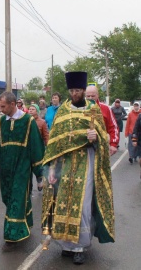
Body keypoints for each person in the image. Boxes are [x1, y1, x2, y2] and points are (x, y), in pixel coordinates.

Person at [42, 72, 115, 265]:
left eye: (78, 90)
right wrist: (51, 169)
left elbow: (102, 137)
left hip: (87, 162)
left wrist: (95, 138)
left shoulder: (94, 110)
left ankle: (80, 247)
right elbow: (55, 144)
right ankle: (67, 245)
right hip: (65, 165)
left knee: (82, 204)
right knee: (64, 203)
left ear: (83, 91)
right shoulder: (63, 111)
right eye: (72, 90)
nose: (74, 93)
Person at [0, 91, 45, 251]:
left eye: (3, 106)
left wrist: (39, 173)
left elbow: (36, 147)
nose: (0, 109)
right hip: (6, 169)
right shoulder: (1, 121)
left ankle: (12, 237)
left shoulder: (28, 121)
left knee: (17, 199)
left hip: (22, 169)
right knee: (9, 198)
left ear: (12, 104)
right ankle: (26, 221)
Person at [85, 85, 119, 156]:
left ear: (97, 95)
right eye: (88, 96)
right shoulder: (81, 109)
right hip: (84, 148)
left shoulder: (106, 108)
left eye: (93, 96)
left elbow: (113, 127)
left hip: (102, 147)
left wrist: (113, 144)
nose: (90, 98)